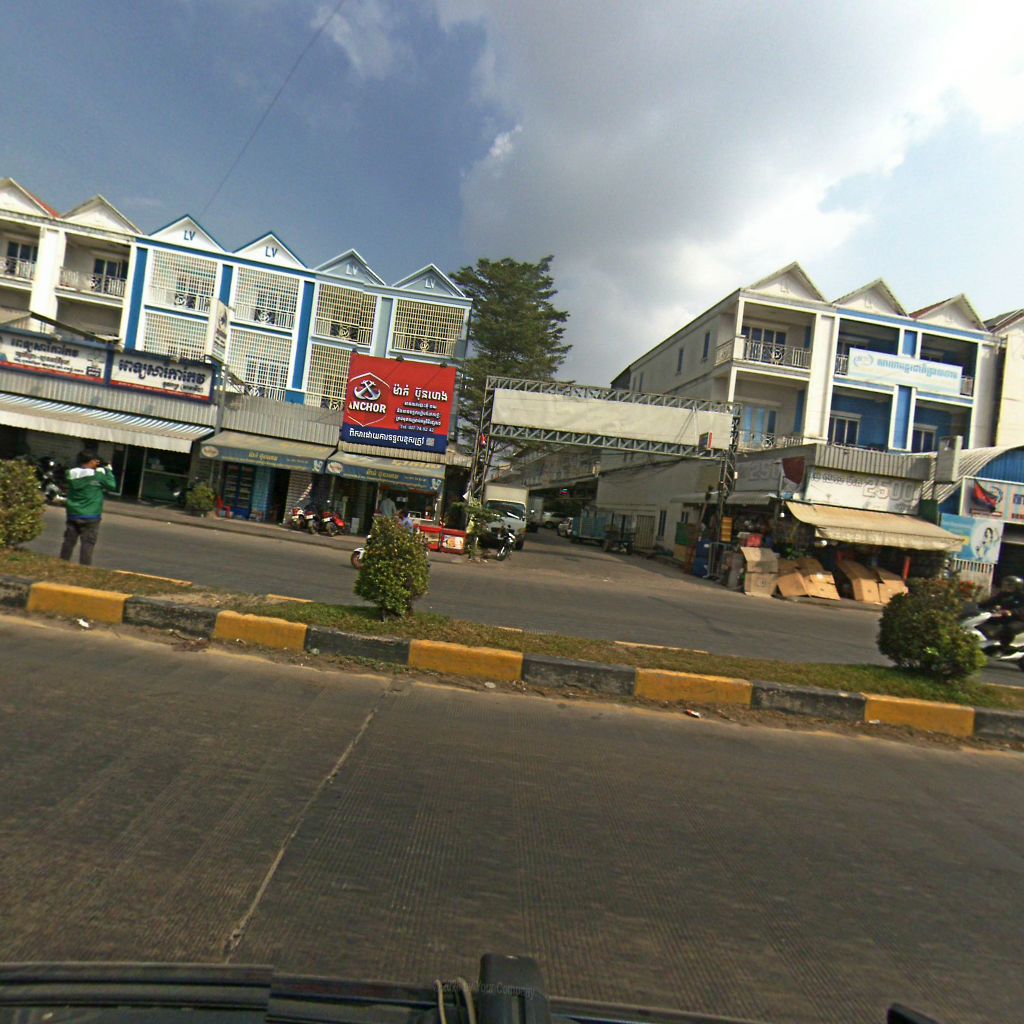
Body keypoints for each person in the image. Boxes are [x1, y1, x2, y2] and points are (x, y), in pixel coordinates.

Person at [60, 451, 118, 565]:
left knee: (69, 541)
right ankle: (84, 567)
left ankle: (62, 562)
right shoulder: (98, 475)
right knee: (87, 544)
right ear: (91, 461)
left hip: (73, 513)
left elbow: (78, 475)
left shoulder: (70, 473)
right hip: (91, 515)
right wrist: (108, 471)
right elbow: (112, 485)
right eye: (96, 461)